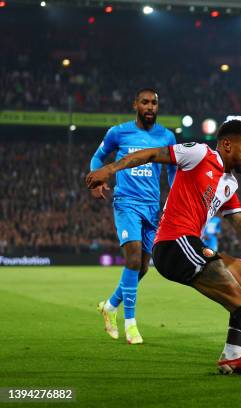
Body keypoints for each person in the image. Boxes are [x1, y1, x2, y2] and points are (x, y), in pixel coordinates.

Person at [86, 119, 241, 382]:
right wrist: (111, 169)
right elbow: (152, 154)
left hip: (190, 244)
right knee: (236, 295)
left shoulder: (230, 184)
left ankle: (232, 353)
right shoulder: (199, 154)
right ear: (227, 144)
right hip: (174, 243)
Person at [90, 88, 176, 344]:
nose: (150, 107)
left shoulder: (167, 136)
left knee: (143, 267)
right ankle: (131, 325)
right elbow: (98, 158)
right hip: (126, 202)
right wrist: (97, 180)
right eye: (145, 102)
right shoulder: (118, 132)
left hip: (153, 205)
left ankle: (110, 306)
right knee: (133, 257)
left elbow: (172, 171)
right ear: (135, 105)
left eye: (154, 103)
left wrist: (173, 198)